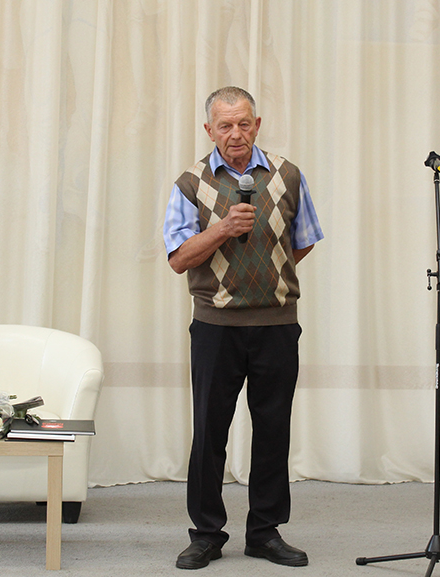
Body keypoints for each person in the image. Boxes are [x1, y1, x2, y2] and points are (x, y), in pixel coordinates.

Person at [163, 86, 324, 569]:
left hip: (277, 324)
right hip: (215, 327)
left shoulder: (287, 175)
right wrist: (222, 229)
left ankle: (265, 533)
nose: (236, 133)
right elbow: (178, 258)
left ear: (257, 125)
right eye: (225, 125)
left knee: (273, 430)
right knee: (209, 432)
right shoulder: (190, 184)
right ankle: (206, 534)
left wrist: (267, 275)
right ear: (209, 130)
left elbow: (303, 241)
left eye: (244, 123)